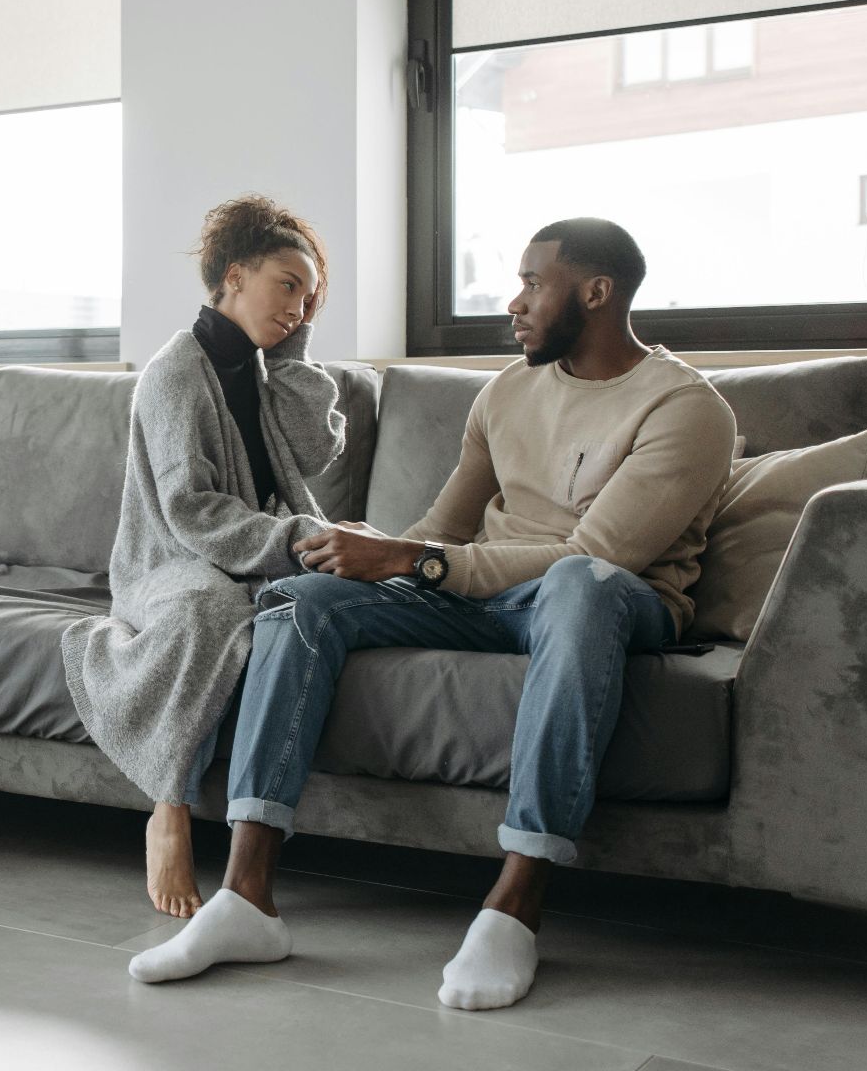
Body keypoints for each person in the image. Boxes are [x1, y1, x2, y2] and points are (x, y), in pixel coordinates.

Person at [122, 217, 738, 1012]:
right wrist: (375, 557)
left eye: (531, 283)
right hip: (487, 597)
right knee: (302, 600)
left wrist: (416, 563)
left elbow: (603, 552)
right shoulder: (507, 391)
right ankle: (247, 897)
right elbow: (443, 529)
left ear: (596, 292)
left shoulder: (687, 409)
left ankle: (516, 902)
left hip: (614, 602)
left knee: (582, 582)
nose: (512, 303)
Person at [61, 194, 346, 920]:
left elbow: (315, 452)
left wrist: (291, 351)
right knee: (209, 605)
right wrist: (290, 543)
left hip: (243, 554)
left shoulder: (261, 365)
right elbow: (189, 509)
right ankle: (169, 807)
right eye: (288, 284)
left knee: (319, 595)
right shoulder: (174, 372)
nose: (300, 305)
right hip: (170, 564)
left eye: (309, 297)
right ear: (235, 275)